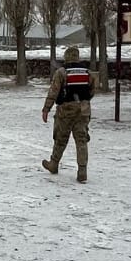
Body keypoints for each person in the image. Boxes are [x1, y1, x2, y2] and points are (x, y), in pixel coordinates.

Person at [41, 46, 92, 183]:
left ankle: (54, 163)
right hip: (83, 110)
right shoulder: (87, 72)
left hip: (66, 110)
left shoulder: (61, 72)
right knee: (81, 140)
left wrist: (46, 109)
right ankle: (82, 171)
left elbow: (53, 92)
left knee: (60, 138)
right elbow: (92, 90)